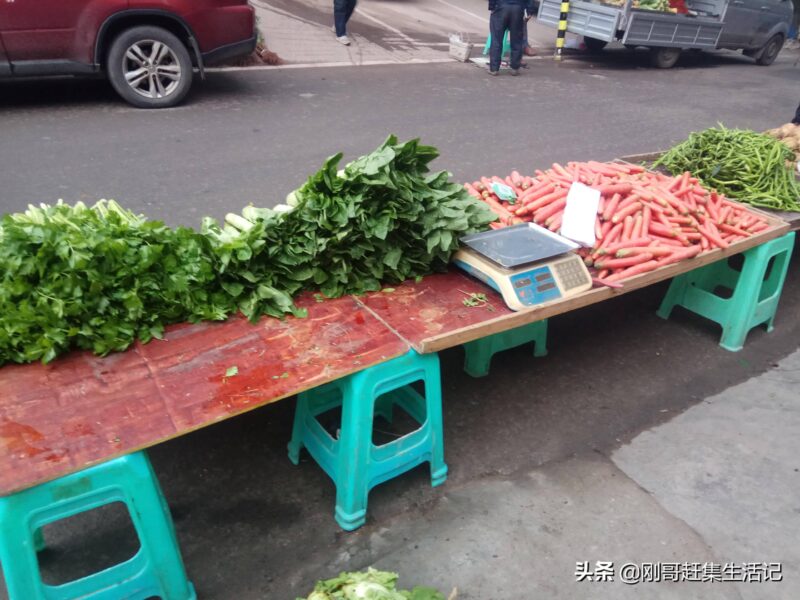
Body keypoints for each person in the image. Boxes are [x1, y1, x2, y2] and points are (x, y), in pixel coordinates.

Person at [488, 0, 535, 75]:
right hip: (518, 8)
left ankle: (494, 69)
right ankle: (514, 68)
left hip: (500, 7)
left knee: (496, 39)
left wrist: (492, 6)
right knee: (517, 40)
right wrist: (530, 10)